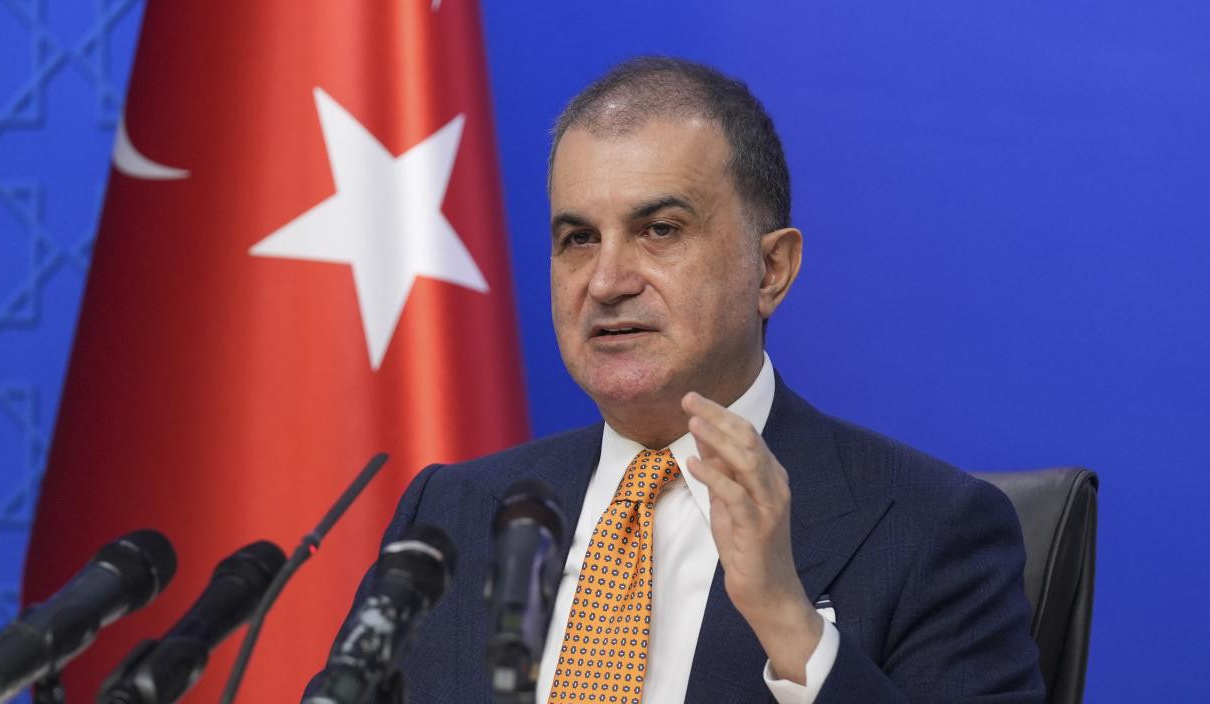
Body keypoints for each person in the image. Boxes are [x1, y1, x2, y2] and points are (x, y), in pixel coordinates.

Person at [321, 56, 1045, 703]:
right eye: (578, 239)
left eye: (659, 230)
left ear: (771, 270)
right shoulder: (451, 514)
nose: (606, 281)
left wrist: (789, 624)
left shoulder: (929, 530)